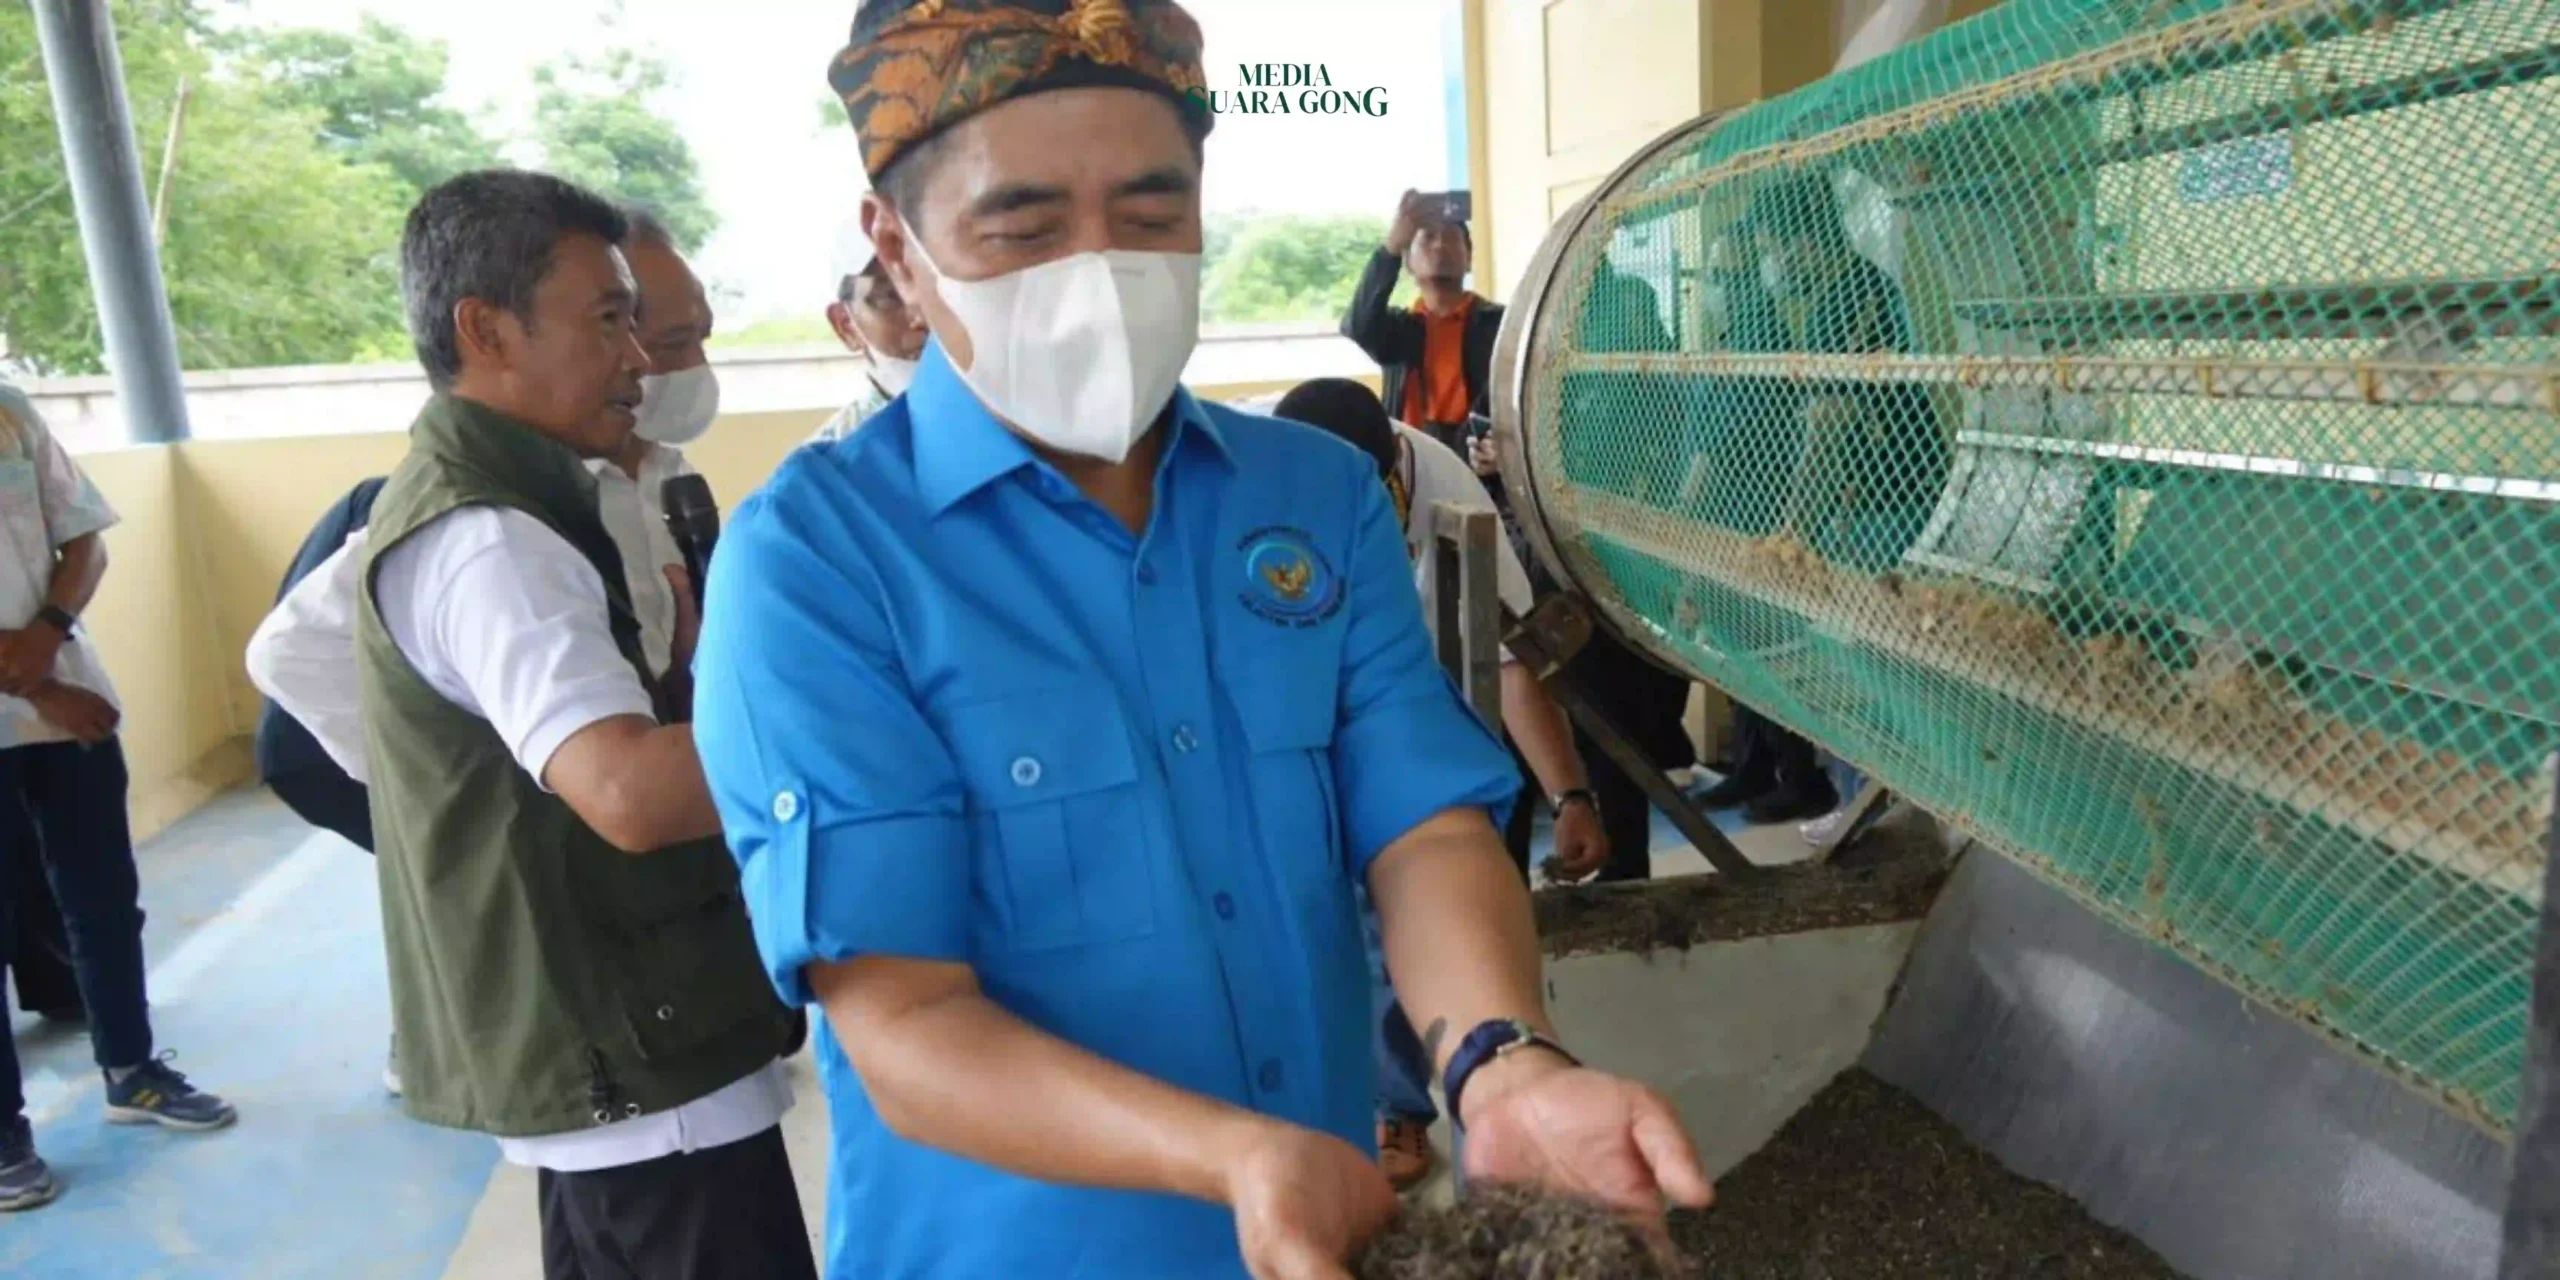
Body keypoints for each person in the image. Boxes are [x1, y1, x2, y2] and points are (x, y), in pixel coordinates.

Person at [693, 6, 1713, 1277]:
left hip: (1328, 1234)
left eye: (1148, 210)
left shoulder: (1315, 498)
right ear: (895, 248)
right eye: (1022, 224)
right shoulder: (819, 559)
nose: (1098, 267)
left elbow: (1426, 827)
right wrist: (1231, 1156)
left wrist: (1500, 1060)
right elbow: (903, 1017)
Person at [257, 170, 812, 1279]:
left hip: (625, 1026)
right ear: (486, 329)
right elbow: (633, 793)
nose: (641, 357)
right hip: (635, 1049)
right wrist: (865, 718)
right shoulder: (489, 540)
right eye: (609, 319)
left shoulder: (535, 497)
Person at [1272, 377, 1608, 1193]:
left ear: (1396, 471)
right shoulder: (1247, 489)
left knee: (1432, 894)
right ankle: (1375, 1099)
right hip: (1299, 706)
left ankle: (1424, 1105)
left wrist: (1569, 794)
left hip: (1423, 706)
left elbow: (1509, 664)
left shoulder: (1454, 499)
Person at [0, 379, 236, 1214]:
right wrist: (39, 686)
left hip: (69, 692)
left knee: (102, 899)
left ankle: (132, 1072)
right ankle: (5, 1139)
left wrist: (50, 633)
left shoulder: (9, 408)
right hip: (50, 697)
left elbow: (84, 538)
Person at [1342, 190, 1505, 466]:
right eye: (1427, 237)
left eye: (1452, 237)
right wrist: (1392, 245)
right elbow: (1357, 324)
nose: (1440, 245)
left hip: (1475, 469)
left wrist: (1502, 451)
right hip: (1408, 468)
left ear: (1469, 259)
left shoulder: (1500, 324)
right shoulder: (1397, 329)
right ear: (1407, 262)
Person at [811, 211, 932, 445]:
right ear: (845, 325)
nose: (923, 315)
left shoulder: (1014, 418)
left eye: (931, 288)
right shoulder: (832, 469)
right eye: (890, 298)